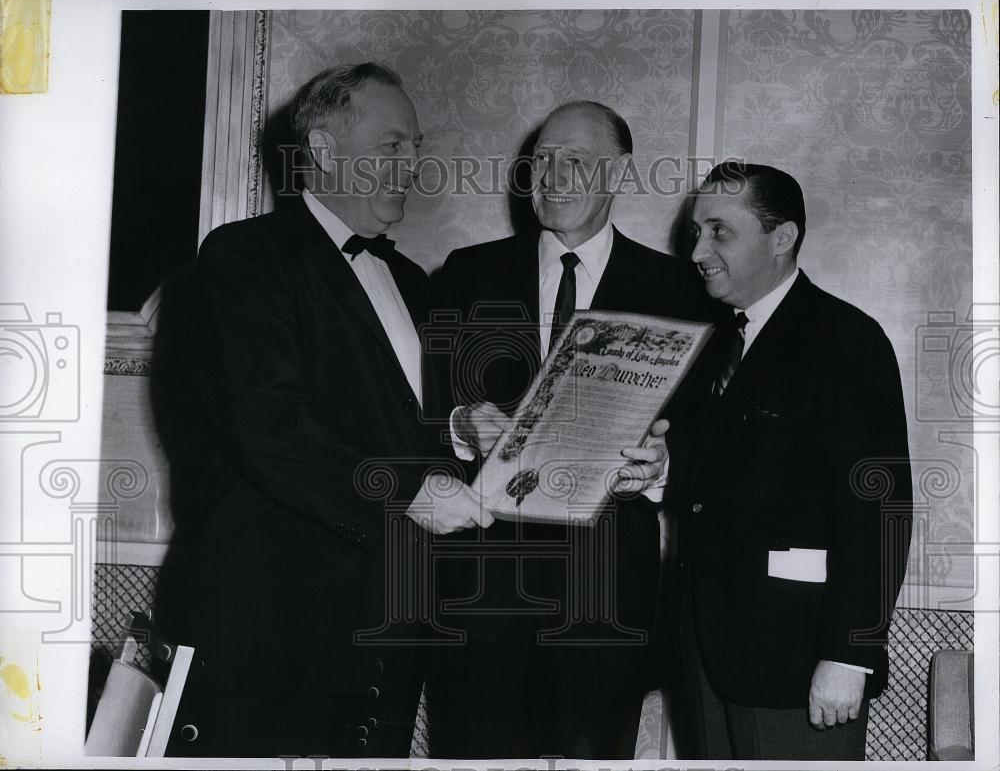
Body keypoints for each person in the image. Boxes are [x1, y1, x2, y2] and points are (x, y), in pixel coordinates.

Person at [172, 62, 489, 758]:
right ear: (322, 150)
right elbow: (269, 430)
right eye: (392, 146)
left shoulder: (409, 279)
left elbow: (406, 423)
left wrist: (464, 431)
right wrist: (410, 490)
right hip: (276, 630)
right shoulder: (245, 257)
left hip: (387, 629)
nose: (412, 166)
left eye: (416, 147)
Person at [428, 100, 709, 759]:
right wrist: (458, 425)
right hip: (481, 589)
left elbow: (707, 436)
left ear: (618, 172)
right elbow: (413, 414)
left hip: (607, 593)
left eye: (574, 160)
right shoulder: (466, 273)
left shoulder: (679, 288)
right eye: (541, 159)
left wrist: (665, 464)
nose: (551, 174)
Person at [676, 162, 912, 760]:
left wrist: (849, 654)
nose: (698, 249)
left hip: (800, 661)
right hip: (705, 654)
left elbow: (880, 514)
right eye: (695, 231)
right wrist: (657, 472)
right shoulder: (709, 344)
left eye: (718, 231)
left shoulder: (846, 340)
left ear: (782, 238)